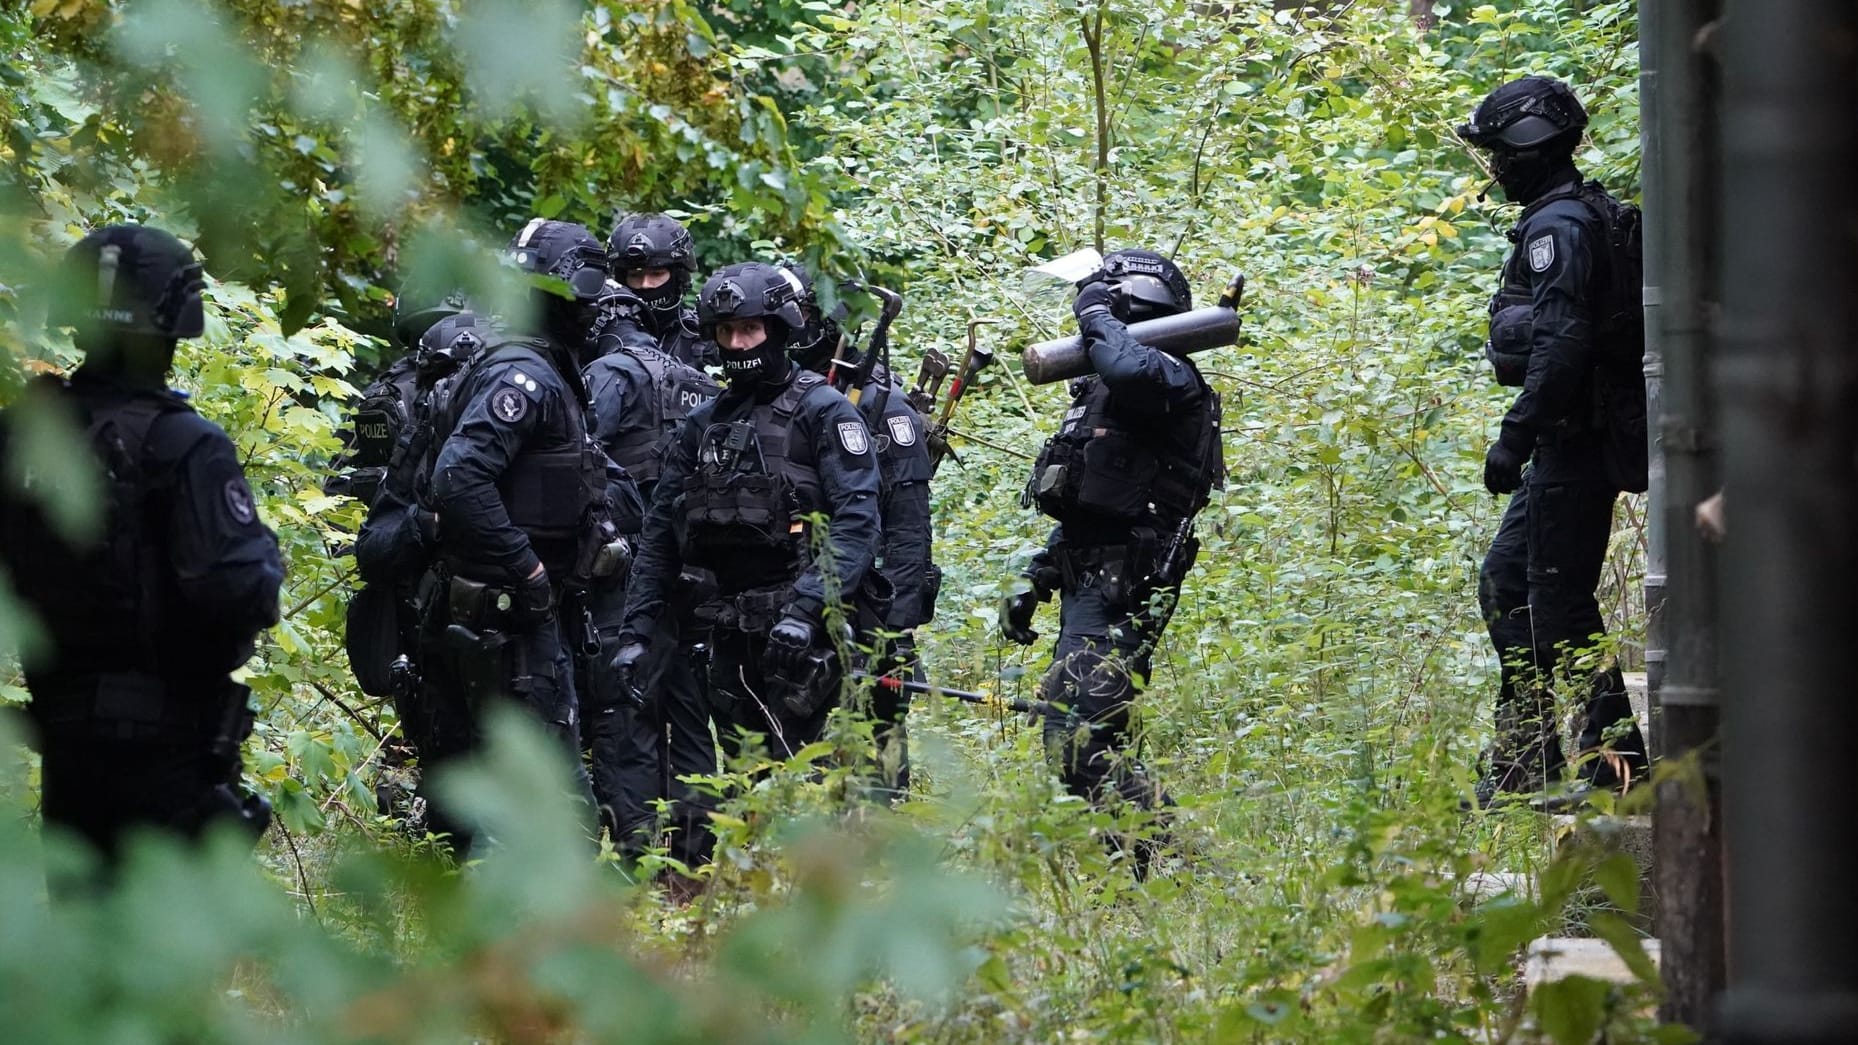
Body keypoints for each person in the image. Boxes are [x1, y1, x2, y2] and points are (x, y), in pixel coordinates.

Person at [0, 224, 282, 885]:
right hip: (168, 754)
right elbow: (240, 590)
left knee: (87, 943)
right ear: (173, 320)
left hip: (66, 741)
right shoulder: (185, 444)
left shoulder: (25, 435)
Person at [613, 261, 882, 870]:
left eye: (749, 331)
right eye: (726, 332)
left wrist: (808, 611)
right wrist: (635, 634)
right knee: (742, 785)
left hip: (808, 641)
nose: (736, 345)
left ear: (779, 328)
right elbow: (660, 534)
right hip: (730, 637)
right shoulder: (704, 424)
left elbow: (858, 524)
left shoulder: (825, 413)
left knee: (818, 788)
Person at [413, 218, 637, 854]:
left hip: (508, 615)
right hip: (508, 620)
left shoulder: (538, 368)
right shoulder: (522, 377)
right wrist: (528, 569)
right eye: (587, 293)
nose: (597, 308)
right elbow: (459, 478)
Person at [1459, 75, 1650, 807]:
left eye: (1501, 154)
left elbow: (1563, 341)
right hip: (1573, 440)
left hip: (1573, 442)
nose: (1498, 169)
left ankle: (1614, 761)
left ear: (1530, 149)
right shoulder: (1569, 217)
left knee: (1555, 600)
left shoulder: (1559, 229)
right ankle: (1526, 760)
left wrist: (1516, 435)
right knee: (1512, 585)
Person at [1003, 248, 1225, 873]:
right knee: (1090, 734)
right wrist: (1038, 575)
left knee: (1078, 738)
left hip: (1128, 584)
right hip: (1090, 576)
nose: (1085, 328)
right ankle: (1137, 871)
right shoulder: (1109, 392)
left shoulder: (1170, 379)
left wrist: (1096, 309)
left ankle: (1183, 863)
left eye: (1101, 312)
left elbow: (1128, 366)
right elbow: (1094, 501)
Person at [782, 264, 935, 800]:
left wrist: (888, 638)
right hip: (798, 604)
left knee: (873, 759)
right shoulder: (788, 401)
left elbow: (909, 533)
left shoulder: (884, 409)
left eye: (797, 314)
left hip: (868, 612)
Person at [581, 275, 720, 859]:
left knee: (629, 709)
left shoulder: (607, 375)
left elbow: (581, 461)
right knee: (690, 712)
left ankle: (638, 858)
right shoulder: (695, 379)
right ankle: (696, 856)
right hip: (694, 569)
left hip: (628, 574)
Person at [605, 213, 716, 369]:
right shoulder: (601, 335)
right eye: (635, 275)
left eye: (656, 274)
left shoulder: (704, 339)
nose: (645, 284)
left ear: (679, 277)